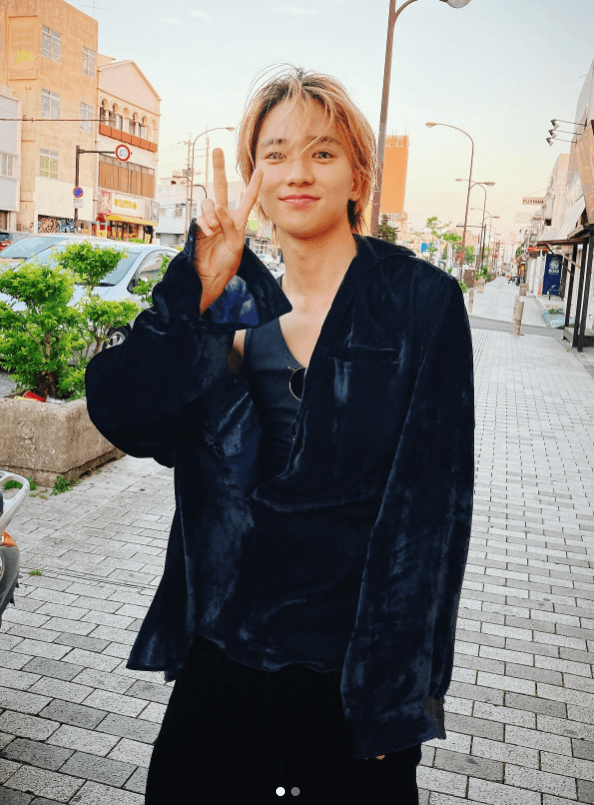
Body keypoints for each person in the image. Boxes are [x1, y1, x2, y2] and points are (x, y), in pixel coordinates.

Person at [85, 65, 475, 804]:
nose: (298, 172)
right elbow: (127, 415)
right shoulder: (232, 304)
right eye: (276, 154)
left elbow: (431, 517)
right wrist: (195, 289)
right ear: (254, 178)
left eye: (323, 152)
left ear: (358, 175)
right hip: (223, 656)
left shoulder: (420, 303)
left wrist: (394, 701)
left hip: (347, 674)